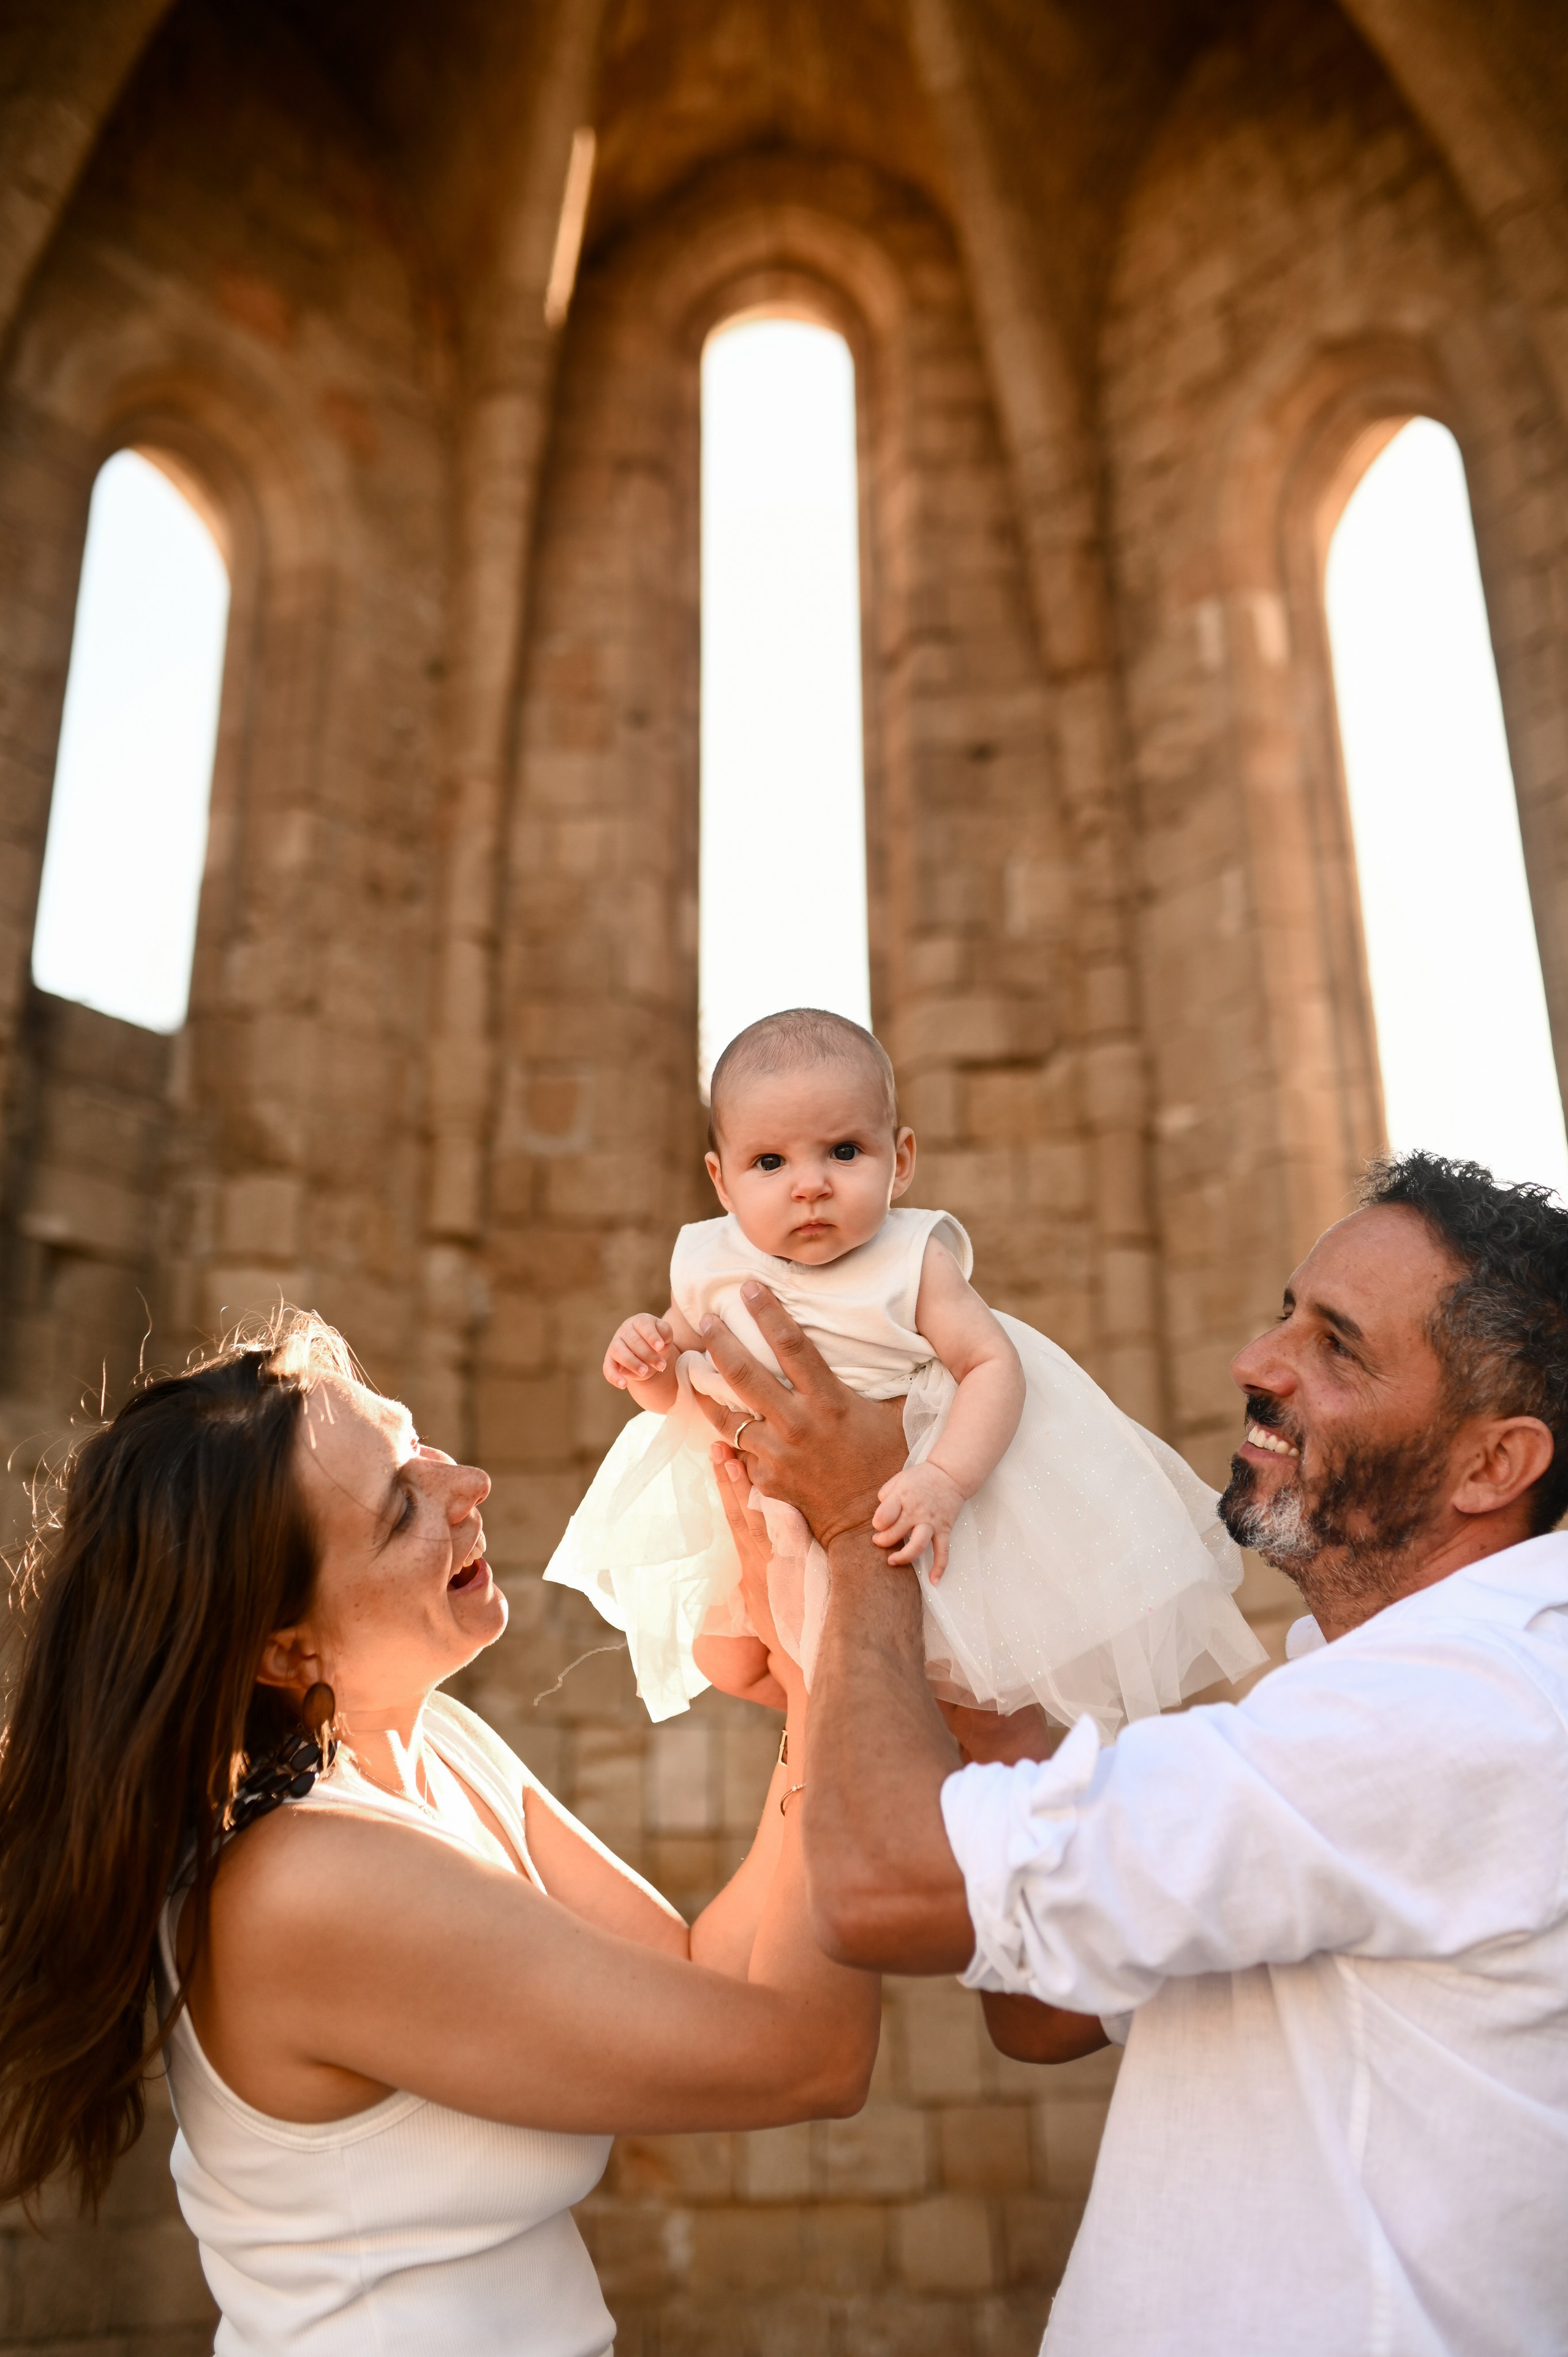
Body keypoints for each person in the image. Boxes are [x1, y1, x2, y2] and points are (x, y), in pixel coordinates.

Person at [686, 1152, 1568, 2354]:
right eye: (1282, 1317)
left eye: (1337, 1347)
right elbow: (1048, 2010)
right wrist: (983, 1667)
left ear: (1490, 1464)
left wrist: (856, 1522)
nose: (1254, 1366)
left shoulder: (1457, 1705)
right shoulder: (1396, 1680)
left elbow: (878, 1883)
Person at [0, 1310, 877, 2357]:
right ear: (285, 1648)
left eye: (416, 1442)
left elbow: (711, 1973)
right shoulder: (301, 1882)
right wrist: (841, 1605)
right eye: (400, 1506)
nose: (469, 1485)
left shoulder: (441, 1744)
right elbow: (807, 2057)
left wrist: (809, 1665)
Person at [546, 1006, 1262, 1728]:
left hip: (903, 1496)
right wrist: (644, 1358)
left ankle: (954, 1769)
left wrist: (943, 1478)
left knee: (968, 1693)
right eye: (771, 1162)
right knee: (726, 1658)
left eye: (845, 1151)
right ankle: (823, 1719)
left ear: (902, 1158)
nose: (810, 1184)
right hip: (762, 1504)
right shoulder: (707, 1262)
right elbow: (672, 1394)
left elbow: (990, 1364)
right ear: (721, 1181)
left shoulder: (913, 1259)